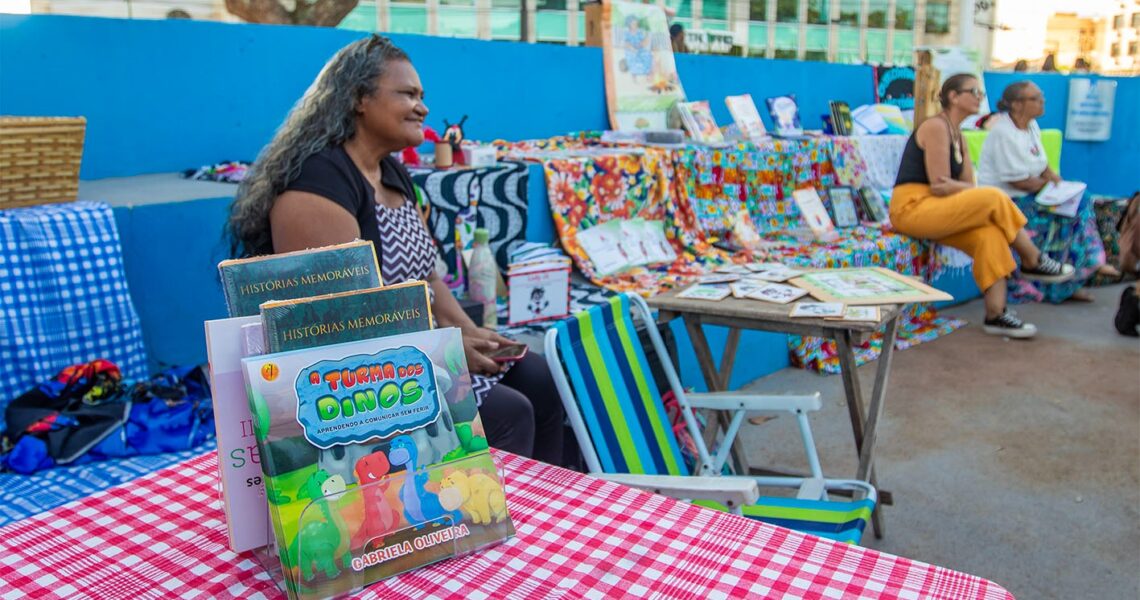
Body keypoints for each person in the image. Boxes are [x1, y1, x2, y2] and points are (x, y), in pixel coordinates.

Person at [226, 35, 565, 465]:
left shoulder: (390, 173)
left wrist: (469, 332)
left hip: (415, 351)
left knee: (536, 373)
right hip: (358, 381)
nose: (422, 108)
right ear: (358, 99)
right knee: (508, 414)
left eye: (422, 96)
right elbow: (344, 328)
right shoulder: (318, 188)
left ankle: (552, 509)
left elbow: (428, 276)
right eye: (407, 94)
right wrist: (445, 347)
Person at [890, 74, 1075, 339]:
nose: (980, 97)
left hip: (937, 208)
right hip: (912, 208)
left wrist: (967, 189)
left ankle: (996, 314)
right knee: (993, 196)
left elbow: (963, 185)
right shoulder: (935, 127)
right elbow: (941, 185)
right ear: (953, 96)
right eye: (973, 91)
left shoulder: (959, 136)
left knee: (989, 234)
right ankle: (1032, 258)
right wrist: (970, 190)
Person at [977, 81, 1117, 303]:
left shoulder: (1031, 126)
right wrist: (1052, 189)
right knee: (1073, 210)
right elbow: (1018, 181)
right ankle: (1089, 263)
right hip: (1008, 200)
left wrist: (1057, 181)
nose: (1042, 102)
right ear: (1017, 104)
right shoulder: (1003, 132)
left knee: (1081, 199)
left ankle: (1073, 279)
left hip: (1031, 193)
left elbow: (1042, 164)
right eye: (1036, 98)